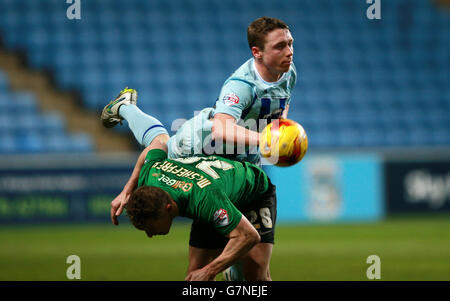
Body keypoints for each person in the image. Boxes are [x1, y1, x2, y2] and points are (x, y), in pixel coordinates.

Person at [103, 16, 296, 280]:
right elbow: (220, 128)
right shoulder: (241, 85)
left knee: (255, 274)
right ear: (257, 52)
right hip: (201, 147)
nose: (289, 51)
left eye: (290, 43)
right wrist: (128, 189)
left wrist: (280, 132)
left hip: (240, 161)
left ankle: (126, 105)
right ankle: (125, 106)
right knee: (159, 141)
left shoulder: (288, 72)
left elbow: (277, 110)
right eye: (280, 46)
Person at [117, 132, 277, 281]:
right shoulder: (150, 174)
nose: (149, 235)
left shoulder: (204, 198)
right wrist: (127, 189)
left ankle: (234, 269)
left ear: (168, 208)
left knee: (255, 277)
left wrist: (210, 270)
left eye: (150, 228)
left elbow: (249, 236)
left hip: (253, 193)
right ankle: (231, 264)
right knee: (195, 278)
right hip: (214, 196)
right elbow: (157, 145)